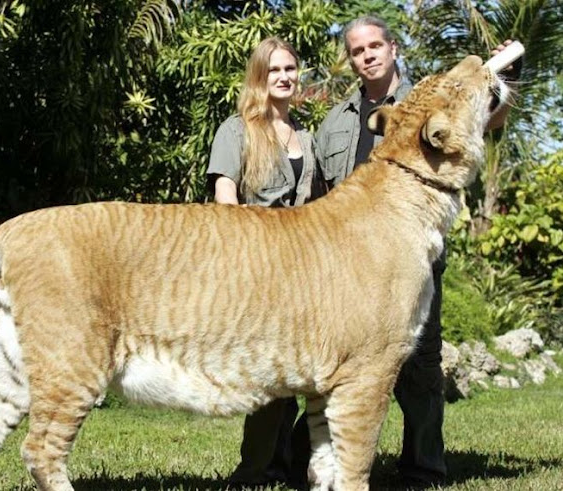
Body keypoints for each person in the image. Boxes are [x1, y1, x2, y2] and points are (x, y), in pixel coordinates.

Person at [316, 16, 519, 488]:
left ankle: (423, 467)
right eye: (357, 50)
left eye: (374, 46)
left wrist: (506, 79)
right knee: (335, 364)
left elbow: (488, 120)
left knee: (421, 363)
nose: (366, 55)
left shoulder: (427, 97)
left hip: (410, 255)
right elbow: (321, 189)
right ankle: (320, 464)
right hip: (346, 266)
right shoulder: (335, 120)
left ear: (393, 48)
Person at [206, 37, 323, 488]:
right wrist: (243, 261)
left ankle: (289, 462)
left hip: (303, 267)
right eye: (274, 70)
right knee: (271, 374)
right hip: (256, 264)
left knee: (303, 372)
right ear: (259, 76)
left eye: (290, 69)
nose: (284, 77)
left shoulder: (305, 137)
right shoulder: (236, 130)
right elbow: (225, 196)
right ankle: (254, 470)